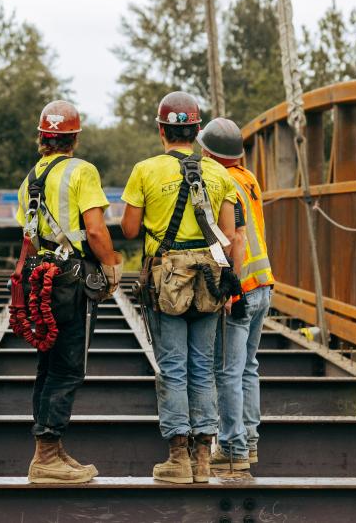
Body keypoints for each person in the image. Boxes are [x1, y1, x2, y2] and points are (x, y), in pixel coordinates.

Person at [120, 92, 242, 485]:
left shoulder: (145, 170)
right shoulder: (219, 174)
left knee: (173, 368)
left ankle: (178, 459)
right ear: (196, 130)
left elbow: (130, 230)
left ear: (162, 130)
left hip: (166, 280)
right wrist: (230, 287)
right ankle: (204, 460)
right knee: (203, 368)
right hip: (209, 279)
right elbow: (227, 237)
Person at [12, 99, 122, 484]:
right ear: (74, 137)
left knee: (48, 364)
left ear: (43, 137)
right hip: (70, 280)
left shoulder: (30, 178)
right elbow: (94, 229)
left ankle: (51, 450)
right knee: (69, 367)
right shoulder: (82, 171)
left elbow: (28, 233)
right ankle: (46, 455)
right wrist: (111, 268)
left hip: (40, 279)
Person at [198, 117, 274, 473]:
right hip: (264, 284)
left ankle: (231, 447)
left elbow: (237, 238)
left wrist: (232, 289)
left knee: (226, 370)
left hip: (242, 288)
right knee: (247, 369)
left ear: (208, 153)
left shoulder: (223, 181)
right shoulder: (249, 178)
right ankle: (250, 441)